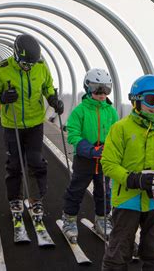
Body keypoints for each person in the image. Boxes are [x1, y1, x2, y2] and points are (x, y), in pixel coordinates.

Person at [101, 74, 154, 270]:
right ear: (136, 100)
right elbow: (108, 163)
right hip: (128, 201)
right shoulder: (120, 129)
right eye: (151, 100)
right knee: (119, 251)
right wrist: (135, 180)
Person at [0, 34, 64, 227]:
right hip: (13, 124)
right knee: (15, 164)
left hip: (35, 123)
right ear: (17, 56)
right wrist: (1, 97)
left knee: (36, 161)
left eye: (31, 64)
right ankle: (15, 199)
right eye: (25, 64)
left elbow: (47, 87)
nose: (28, 67)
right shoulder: (2, 70)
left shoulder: (41, 66)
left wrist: (53, 99)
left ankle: (36, 200)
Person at [61, 68, 119, 242]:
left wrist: (111, 149)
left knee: (104, 191)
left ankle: (102, 219)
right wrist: (89, 149)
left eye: (106, 89)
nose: (102, 94)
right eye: (96, 89)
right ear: (88, 88)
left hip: (104, 160)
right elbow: (73, 134)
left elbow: (116, 133)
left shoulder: (111, 111)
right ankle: (69, 219)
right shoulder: (80, 111)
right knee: (76, 190)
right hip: (85, 160)